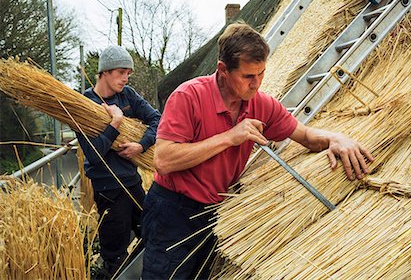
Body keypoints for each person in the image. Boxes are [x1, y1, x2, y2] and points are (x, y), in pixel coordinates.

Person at [141, 22, 374, 279]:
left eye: (262, 73)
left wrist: (336, 138)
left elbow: (305, 135)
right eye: (248, 76)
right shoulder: (188, 97)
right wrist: (230, 137)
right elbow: (163, 160)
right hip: (173, 210)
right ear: (223, 70)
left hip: (213, 212)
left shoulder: (261, 104)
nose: (257, 84)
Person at [76, 45, 160, 278]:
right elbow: (93, 154)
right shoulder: (83, 104)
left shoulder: (128, 96)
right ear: (105, 71)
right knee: (115, 253)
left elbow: (157, 120)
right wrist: (115, 123)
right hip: (109, 190)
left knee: (152, 232)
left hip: (132, 181)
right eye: (121, 72)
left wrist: (141, 145)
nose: (125, 78)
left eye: (128, 73)